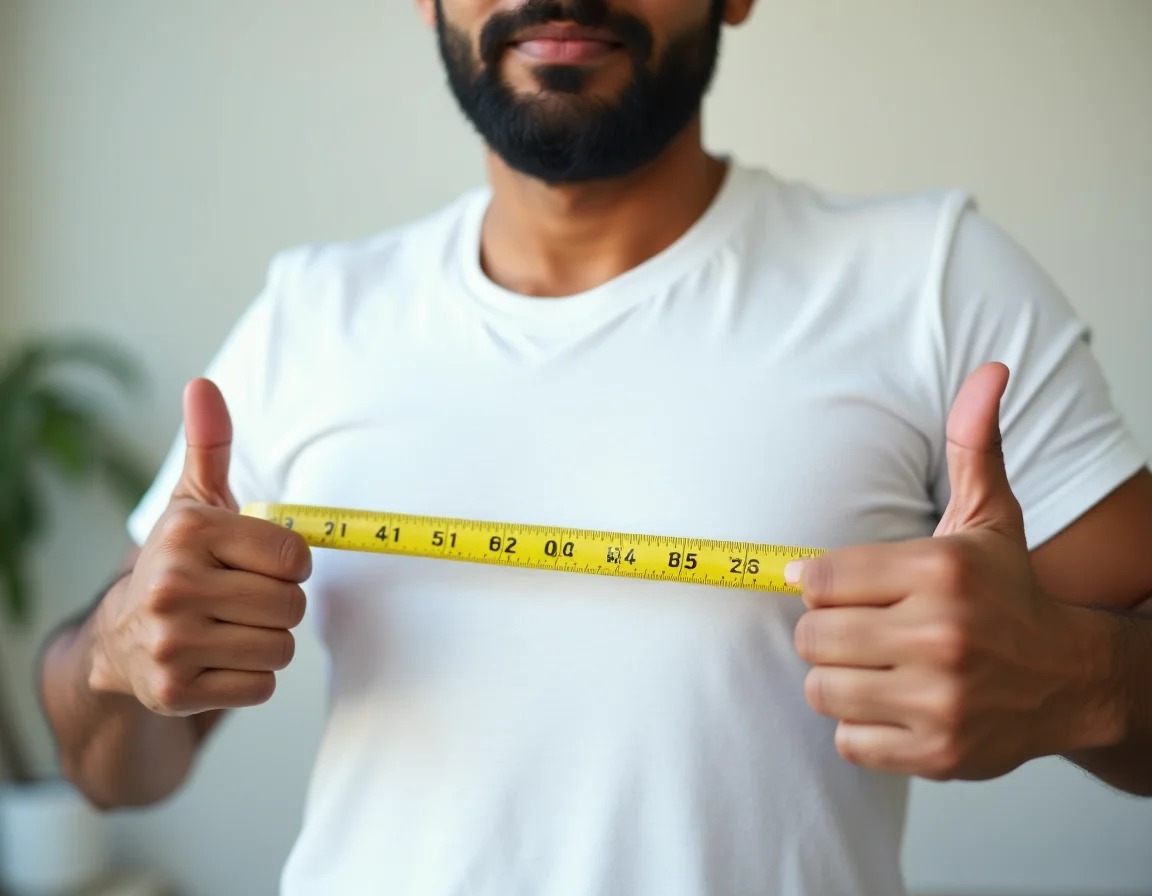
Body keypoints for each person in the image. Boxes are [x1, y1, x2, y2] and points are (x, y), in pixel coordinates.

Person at [38, 2, 1152, 894]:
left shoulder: (934, 282)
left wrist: (1082, 679)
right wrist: (108, 656)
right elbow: (114, 766)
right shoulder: (310, 315)